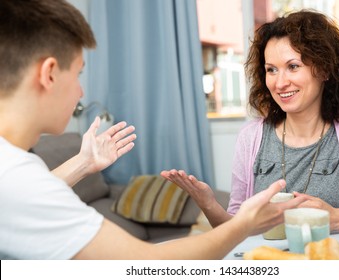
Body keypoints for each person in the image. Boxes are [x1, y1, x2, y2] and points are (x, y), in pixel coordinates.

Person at [0, 0, 308, 260]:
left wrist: (84, 163)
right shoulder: (17, 179)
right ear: (49, 73)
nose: (81, 92)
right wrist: (245, 223)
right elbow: (145, 264)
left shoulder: (15, 172)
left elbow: (25, 194)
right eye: (78, 74)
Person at [161, 9, 339, 233]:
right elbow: (237, 230)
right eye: (271, 70)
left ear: (325, 69)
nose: (280, 83)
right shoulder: (251, 137)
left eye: (293, 66)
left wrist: (338, 218)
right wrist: (209, 204)